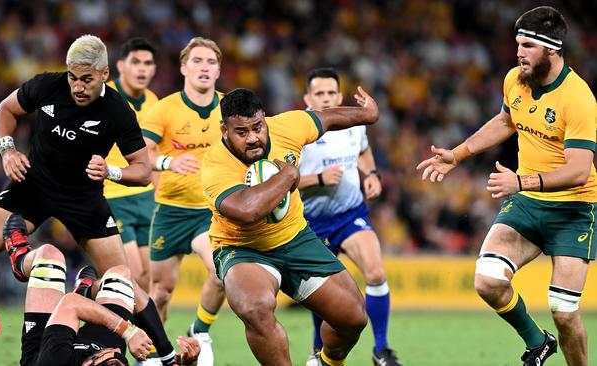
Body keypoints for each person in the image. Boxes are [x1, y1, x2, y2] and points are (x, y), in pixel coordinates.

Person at [0, 35, 179, 365]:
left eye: (86, 79)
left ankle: (166, 355)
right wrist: (8, 149)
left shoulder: (117, 111)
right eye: (73, 77)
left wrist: (111, 172)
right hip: (34, 184)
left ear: (105, 74)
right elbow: (5, 110)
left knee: (124, 280)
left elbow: (142, 171)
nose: (78, 86)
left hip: (83, 198)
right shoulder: (47, 86)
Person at [416, 6, 595, 366]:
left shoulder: (579, 98)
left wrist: (520, 180)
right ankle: (537, 341)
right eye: (517, 44)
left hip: (573, 209)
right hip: (528, 202)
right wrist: (459, 154)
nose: (518, 52)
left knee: (563, 310)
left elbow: (578, 170)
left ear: (552, 49)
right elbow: (504, 120)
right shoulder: (515, 79)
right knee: (488, 281)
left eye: (527, 45)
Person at [200, 86, 380, 366]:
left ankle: (325, 362)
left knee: (353, 317)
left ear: (265, 119)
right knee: (254, 307)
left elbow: (327, 117)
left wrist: (367, 114)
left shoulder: (288, 126)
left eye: (257, 127)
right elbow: (247, 210)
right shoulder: (214, 164)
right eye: (242, 132)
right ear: (224, 129)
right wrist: (289, 175)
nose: (253, 138)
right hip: (243, 248)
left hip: (296, 238)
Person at [298, 68, 401, 366]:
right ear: (307, 98)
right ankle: (318, 351)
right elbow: (281, 179)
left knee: (376, 272)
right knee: (322, 293)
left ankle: (381, 349)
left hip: (349, 215)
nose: (327, 97)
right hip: (311, 224)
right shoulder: (299, 130)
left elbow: (363, 152)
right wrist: (317, 178)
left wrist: (371, 174)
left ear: (340, 96)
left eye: (331, 92)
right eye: (319, 93)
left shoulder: (354, 124)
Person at [1, 212, 199, 366]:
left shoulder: (56, 359)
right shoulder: (109, 357)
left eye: (106, 359)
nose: (112, 354)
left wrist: (129, 332)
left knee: (49, 256)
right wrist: (175, 360)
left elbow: (70, 303)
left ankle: (19, 258)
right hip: (92, 344)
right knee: (121, 276)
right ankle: (86, 293)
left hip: (45, 348)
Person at [140, 37, 225, 366]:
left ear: (218, 70)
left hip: (210, 212)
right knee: (160, 291)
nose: (204, 67)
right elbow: (143, 154)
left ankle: (200, 329)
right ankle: (154, 355)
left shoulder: (229, 107)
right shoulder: (163, 109)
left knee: (221, 271)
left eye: (211, 62)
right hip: (171, 211)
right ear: (183, 67)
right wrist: (168, 163)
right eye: (198, 61)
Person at [104, 37, 159, 291]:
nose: (142, 69)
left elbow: (153, 152)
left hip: (146, 196)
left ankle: (141, 330)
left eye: (147, 63)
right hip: (113, 194)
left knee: (148, 274)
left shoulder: (154, 102)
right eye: (135, 62)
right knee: (132, 271)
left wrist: (159, 195)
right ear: (121, 66)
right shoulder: (105, 97)